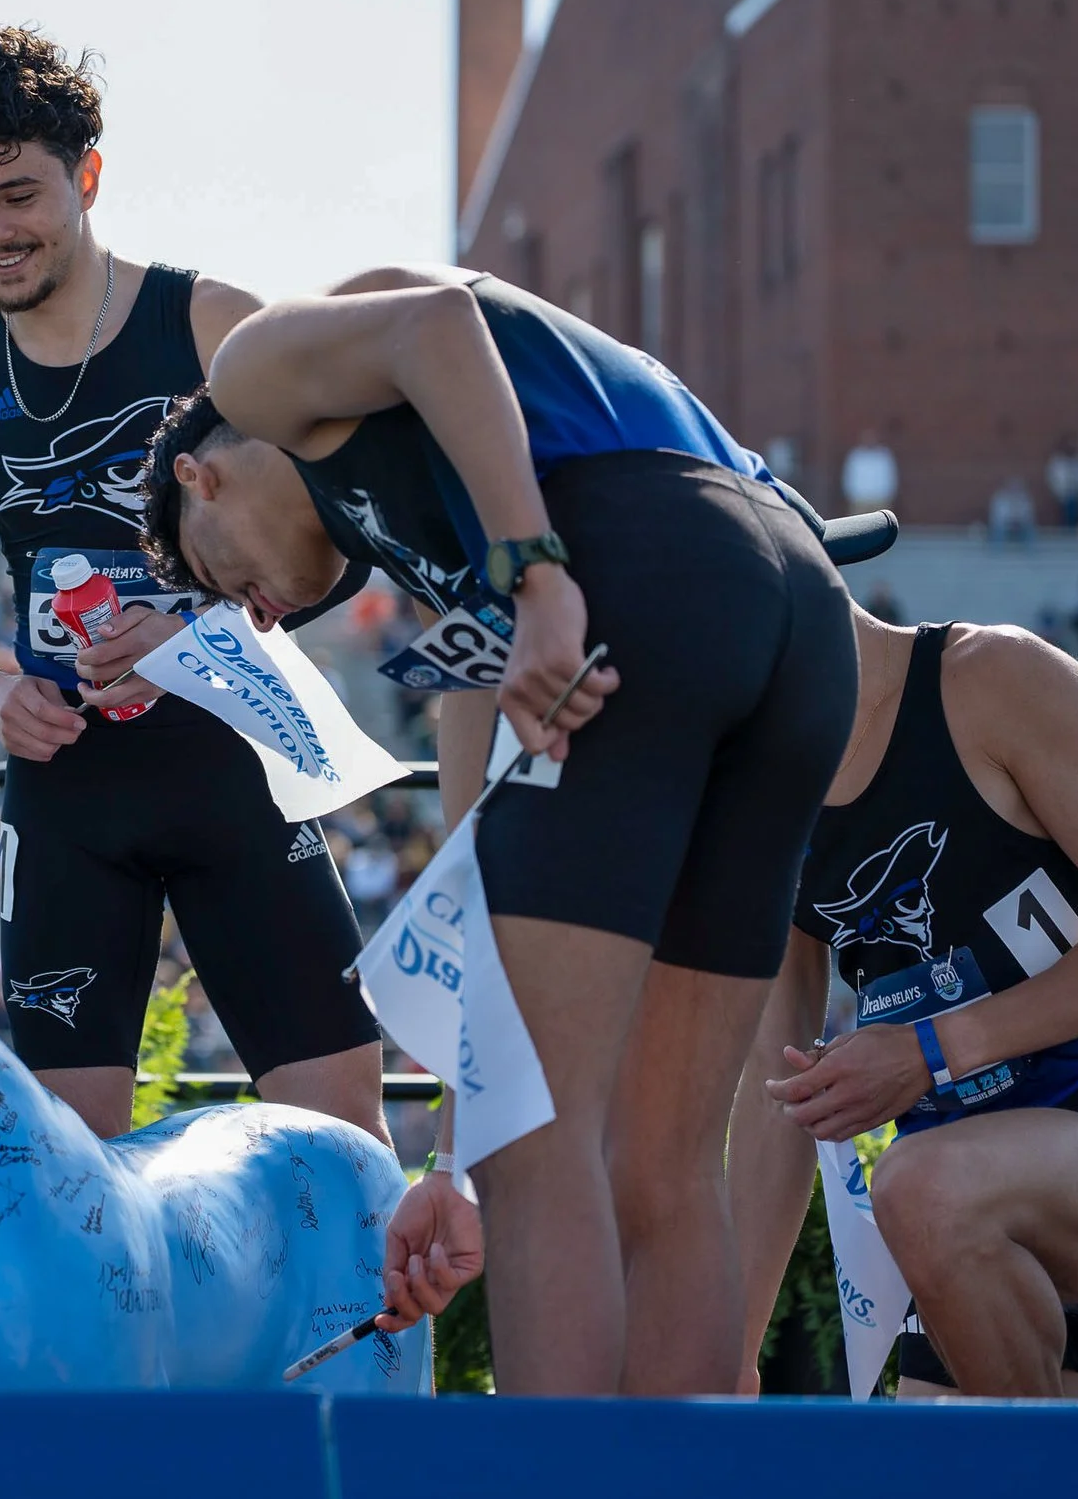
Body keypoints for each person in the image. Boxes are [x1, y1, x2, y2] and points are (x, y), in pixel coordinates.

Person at [139, 264, 863, 1394]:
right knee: (664, 1166)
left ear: (202, 475)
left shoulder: (255, 372)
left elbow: (438, 316)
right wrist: (447, 1155)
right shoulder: (429, 504)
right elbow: (479, 853)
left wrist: (536, 573)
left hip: (640, 559)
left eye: (216, 577)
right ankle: (678, 1476)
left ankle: (556, 1474)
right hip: (796, 611)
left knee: (544, 1145)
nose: (258, 617)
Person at [0, 25, 386, 1146]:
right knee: (70, 1164)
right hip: (69, 806)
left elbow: (347, 541)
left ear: (88, 177)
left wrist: (201, 631)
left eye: (18, 194)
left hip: (237, 777)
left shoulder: (215, 325)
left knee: (343, 1131)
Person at [730, 610, 1078, 1397]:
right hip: (952, 1202)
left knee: (920, 1186)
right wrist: (732, 1352)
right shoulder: (767, 790)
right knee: (965, 1442)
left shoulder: (993, 677)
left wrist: (931, 1049)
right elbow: (778, 1087)